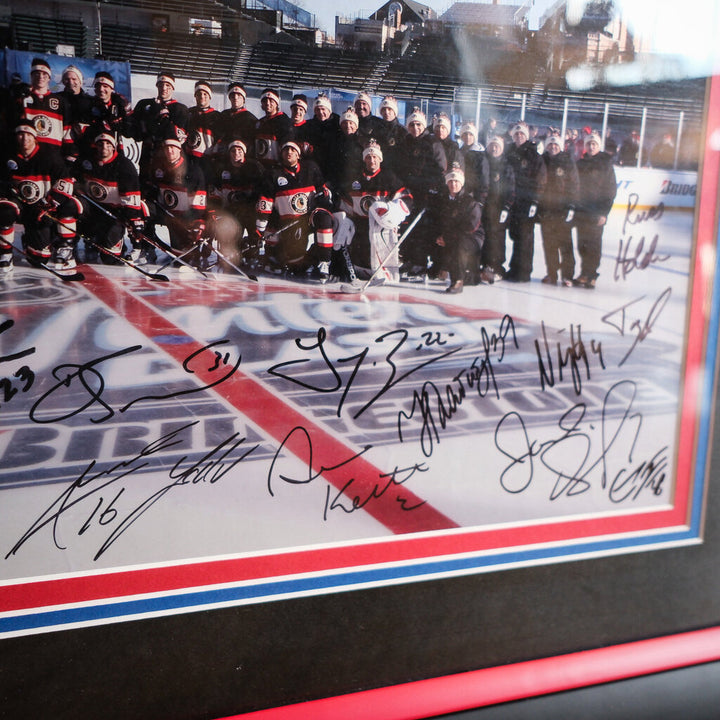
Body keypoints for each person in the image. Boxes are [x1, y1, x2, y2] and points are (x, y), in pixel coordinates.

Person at [0, 122, 80, 273]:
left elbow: (65, 181)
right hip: (19, 205)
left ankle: (35, 240)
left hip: (40, 207)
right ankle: (5, 254)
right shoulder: (7, 156)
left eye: (29, 135)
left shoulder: (49, 156)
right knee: (5, 211)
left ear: (35, 137)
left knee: (38, 258)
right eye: (21, 134)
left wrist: (49, 204)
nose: (25, 139)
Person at [256, 141, 334, 280]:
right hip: (289, 222)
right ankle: (283, 258)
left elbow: (323, 190)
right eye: (286, 150)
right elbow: (266, 203)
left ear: (298, 154)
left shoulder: (310, 168)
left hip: (309, 217)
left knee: (324, 219)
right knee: (296, 265)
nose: (289, 152)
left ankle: (324, 262)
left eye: (293, 150)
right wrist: (259, 230)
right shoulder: (274, 174)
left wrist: (323, 196)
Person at [335, 139, 409, 280]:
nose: (372, 160)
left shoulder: (389, 177)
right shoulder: (355, 179)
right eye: (368, 157)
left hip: (380, 226)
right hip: (360, 223)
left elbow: (405, 198)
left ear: (380, 159)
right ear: (364, 159)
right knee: (358, 249)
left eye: (375, 157)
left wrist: (391, 212)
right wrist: (346, 220)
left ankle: (386, 272)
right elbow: (346, 203)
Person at [74, 128, 145, 264]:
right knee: (71, 205)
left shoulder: (124, 166)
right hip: (92, 209)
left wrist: (131, 218)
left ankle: (115, 241)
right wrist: (76, 186)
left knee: (109, 259)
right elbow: (73, 177)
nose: (104, 148)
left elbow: (131, 197)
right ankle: (66, 245)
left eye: (108, 144)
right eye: (100, 144)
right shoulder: (86, 160)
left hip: (114, 213)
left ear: (114, 146)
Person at [143, 130, 207, 266]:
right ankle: (147, 248)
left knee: (181, 261)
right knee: (142, 210)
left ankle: (191, 249)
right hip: (166, 213)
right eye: (167, 148)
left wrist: (195, 222)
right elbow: (152, 191)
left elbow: (198, 205)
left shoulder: (193, 171)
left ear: (180, 150)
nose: (170, 151)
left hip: (185, 218)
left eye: (173, 148)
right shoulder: (158, 168)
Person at [207, 136, 266, 269]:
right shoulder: (223, 169)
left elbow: (263, 189)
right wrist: (216, 211)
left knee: (253, 235)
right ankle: (232, 255)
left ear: (244, 152)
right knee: (231, 236)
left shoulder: (254, 167)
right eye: (233, 151)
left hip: (250, 210)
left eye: (239, 151)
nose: (236, 154)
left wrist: (251, 201)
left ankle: (252, 255)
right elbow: (215, 192)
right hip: (231, 211)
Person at [428, 163, 483, 294]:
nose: (453, 184)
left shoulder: (470, 202)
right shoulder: (443, 200)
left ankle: (457, 281)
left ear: (461, 183)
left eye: (456, 181)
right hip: (450, 236)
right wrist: (439, 236)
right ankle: (440, 269)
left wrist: (447, 237)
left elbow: (470, 226)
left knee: (459, 245)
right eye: (451, 181)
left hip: (472, 237)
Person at [574, 132, 617, 289]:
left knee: (593, 245)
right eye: (589, 144)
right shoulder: (580, 163)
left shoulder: (605, 164)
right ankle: (584, 273)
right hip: (581, 211)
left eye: (594, 144)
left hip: (596, 211)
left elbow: (610, 191)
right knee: (582, 244)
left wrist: (603, 213)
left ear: (599, 146)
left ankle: (591, 274)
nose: (591, 147)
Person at [505, 121, 546, 282]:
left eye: (522, 134)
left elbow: (540, 180)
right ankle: (514, 268)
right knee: (516, 236)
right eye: (517, 134)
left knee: (525, 238)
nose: (519, 136)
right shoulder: (510, 152)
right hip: (512, 200)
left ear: (527, 135)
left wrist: (535, 201)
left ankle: (524, 271)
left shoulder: (533, 155)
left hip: (526, 201)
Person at [539, 134, 579, 286]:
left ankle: (567, 276)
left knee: (565, 244)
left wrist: (571, 206)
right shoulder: (542, 160)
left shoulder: (567, 161)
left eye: (555, 145)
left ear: (560, 146)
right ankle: (552, 274)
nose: (553, 147)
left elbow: (574, 185)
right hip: (547, 210)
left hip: (562, 210)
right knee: (549, 244)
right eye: (550, 144)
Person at [11, 57, 72, 157]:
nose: (40, 77)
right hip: (29, 153)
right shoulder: (23, 98)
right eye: (37, 73)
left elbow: (66, 129)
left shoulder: (60, 101)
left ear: (49, 78)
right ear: (31, 76)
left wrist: (70, 152)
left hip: (53, 154)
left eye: (44, 74)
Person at [480, 135, 515, 283]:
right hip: (485, 205)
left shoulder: (506, 166)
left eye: (497, 146)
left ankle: (497, 267)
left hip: (499, 207)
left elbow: (511, 188)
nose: (494, 149)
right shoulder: (483, 161)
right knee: (484, 236)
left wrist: (507, 206)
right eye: (492, 146)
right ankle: (484, 266)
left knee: (497, 239)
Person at [254, 87, 293, 168]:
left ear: (276, 103)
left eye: (271, 101)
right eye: (265, 101)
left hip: (276, 168)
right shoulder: (259, 122)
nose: (268, 103)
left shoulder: (284, 121)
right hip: (260, 166)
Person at [186, 80, 220, 170]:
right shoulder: (188, 112)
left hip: (207, 160)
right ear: (195, 96)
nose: (202, 96)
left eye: (205, 94)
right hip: (189, 159)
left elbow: (219, 140)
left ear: (210, 96)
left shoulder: (217, 116)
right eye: (199, 94)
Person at [216, 82, 257, 155]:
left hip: (239, 157)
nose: (235, 97)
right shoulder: (223, 115)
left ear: (243, 99)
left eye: (239, 95)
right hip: (223, 156)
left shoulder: (251, 119)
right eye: (233, 95)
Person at [376, 95, 407, 174]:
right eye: (384, 109)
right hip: (379, 171)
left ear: (395, 111)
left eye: (389, 109)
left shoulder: (403, 131)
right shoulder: (375, 129)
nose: (386, 112)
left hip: (396, 172)